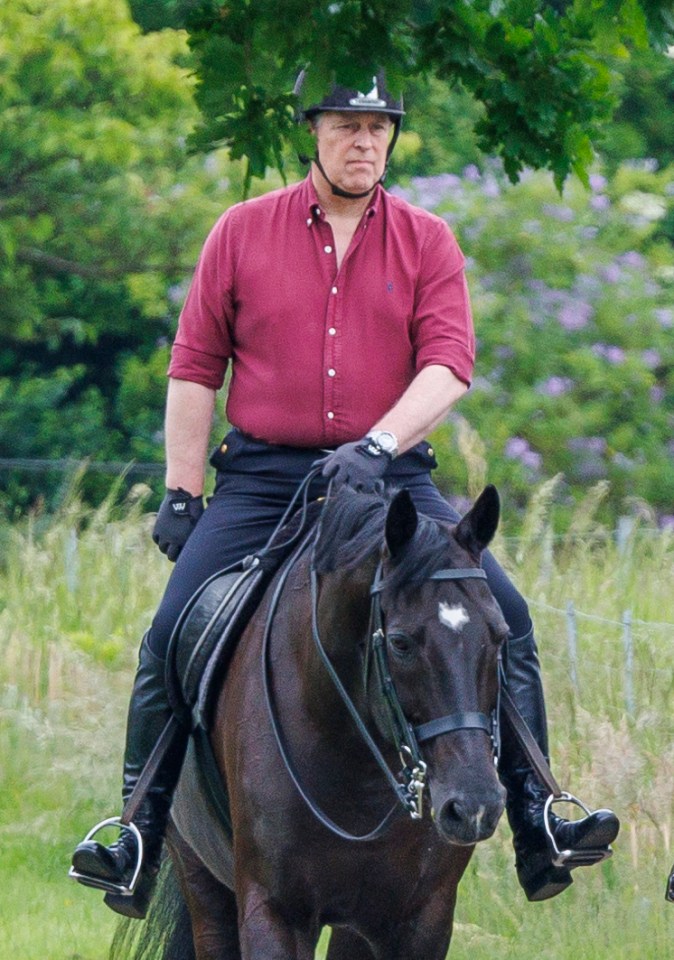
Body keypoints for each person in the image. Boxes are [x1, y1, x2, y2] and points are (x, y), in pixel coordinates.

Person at [71, 73, 619, 918]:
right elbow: (193, 367)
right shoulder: (240, 231)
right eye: (345, 125)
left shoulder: (428, 240)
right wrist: (183, 490)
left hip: (390, 476)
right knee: (170, 628)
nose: (363, 141)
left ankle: (539, 811)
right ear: (312, 132)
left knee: (504, 618)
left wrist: (378, 442)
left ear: (393, 138)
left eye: (378, 127)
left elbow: (448, 365)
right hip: (265, 479)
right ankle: (135, 833)